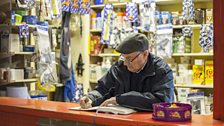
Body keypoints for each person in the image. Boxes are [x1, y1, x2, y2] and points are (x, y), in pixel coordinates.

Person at [80, 33, 174, 111]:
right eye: (123, 57)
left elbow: (162, 101)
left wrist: (120, 99)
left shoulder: (162, 71)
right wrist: (91, 98)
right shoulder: (119, 68)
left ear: (145, 54)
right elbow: (103, 89)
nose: (125, 63)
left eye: (129, 59)